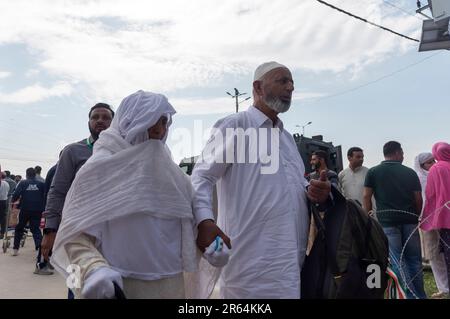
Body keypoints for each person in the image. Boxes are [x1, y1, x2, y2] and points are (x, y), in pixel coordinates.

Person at [192, 61, 332, 299]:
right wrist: (204, 221)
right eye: (282, 81)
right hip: (250, 265)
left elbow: (291, 186)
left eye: (292, 83)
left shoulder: (286, 138)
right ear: (257, 87)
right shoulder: (236, 125)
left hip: (290, 263)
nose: (290, 88)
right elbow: (202, 176)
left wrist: (315, 190)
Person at [51, 90, 201, 299]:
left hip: (171, 286)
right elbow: (75, 235)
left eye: (164, 122)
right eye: (151, 121)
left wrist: (208, 233)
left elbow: (195, 216)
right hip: (118, 286)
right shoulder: (98, 168)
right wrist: (93, 269)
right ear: (131, 121)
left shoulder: (172, 173)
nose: (159, 130)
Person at [37, 103, 114, 280]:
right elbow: (57, 191)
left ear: (114, 122)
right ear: (88, 122)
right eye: (95, 117)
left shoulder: (121, 152)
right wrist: (50, 230)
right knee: (78, 284)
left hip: (113, 231)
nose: (100, 121)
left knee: (108, 283)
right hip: (77, 230)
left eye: (105, 117)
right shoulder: (73, 151)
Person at [363, 141, 426, 299]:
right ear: (397, 153)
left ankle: (406, 295)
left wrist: (369, 215)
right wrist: (416, 215)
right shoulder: (409, 172)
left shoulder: (373, 172)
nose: (403, 156)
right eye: (402, 153)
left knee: (397, 260)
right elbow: (418, 198)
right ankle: (419, 295)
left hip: (387, 222)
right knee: (414, 260)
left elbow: (366, 196)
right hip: (410, 221)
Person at [414, 152, 448, 298]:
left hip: (443, 218)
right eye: (429, 162)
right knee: (434, 254)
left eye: (433, 160)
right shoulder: (417, 179)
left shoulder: (440, 172)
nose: (433, 163)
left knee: (446, 252)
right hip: (427, 220)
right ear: (421, 166)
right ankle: (443, 287)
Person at [11, 168, 45, 256]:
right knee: (35, 229)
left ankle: (15, 249)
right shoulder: (41, 184)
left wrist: (14, 201)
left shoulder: (23, 183)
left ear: (26, 175)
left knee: (20, 228)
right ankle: (39, 248)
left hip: (25, 208)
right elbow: (45, 195)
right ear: (35, 175)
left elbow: (16, 194)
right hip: (38, 209)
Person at [0, 172, 10, 238]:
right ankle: (2, 233)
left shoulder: (1, 183)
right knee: (3, 217)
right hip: (4, 201)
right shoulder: (6, 183)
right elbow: (8, 192)